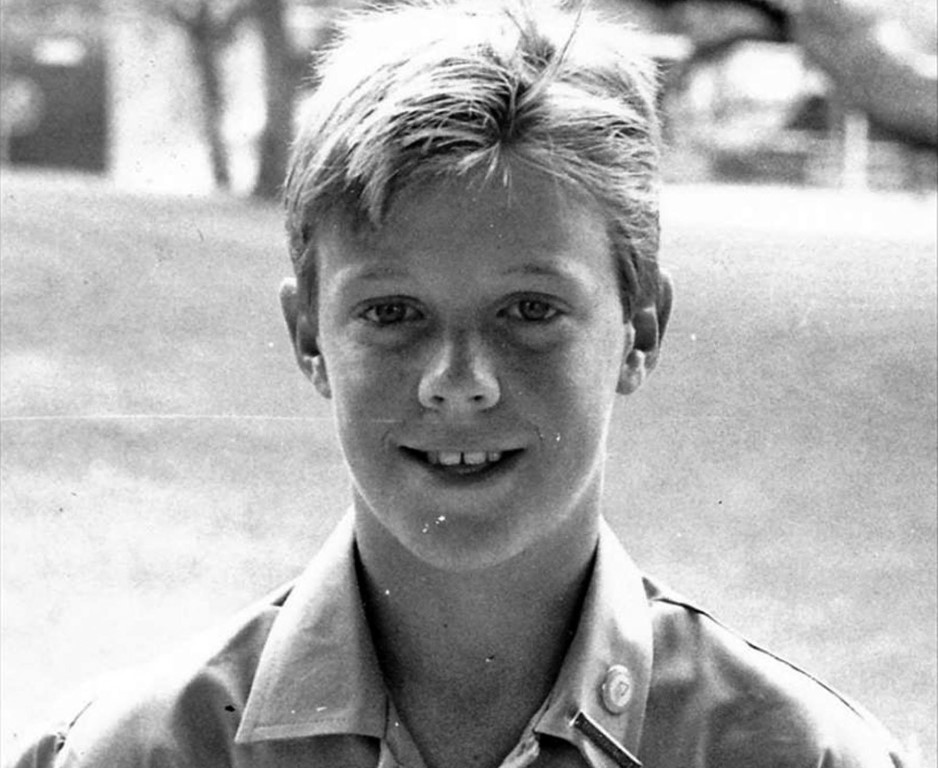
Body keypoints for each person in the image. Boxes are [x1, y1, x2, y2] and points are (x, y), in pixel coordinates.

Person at [10, 1, 910, 767]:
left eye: (531, 310)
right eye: (392, 314)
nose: (459, 382)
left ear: (640, 329)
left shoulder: (798, 753)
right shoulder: (139, 751)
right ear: (309, 336)